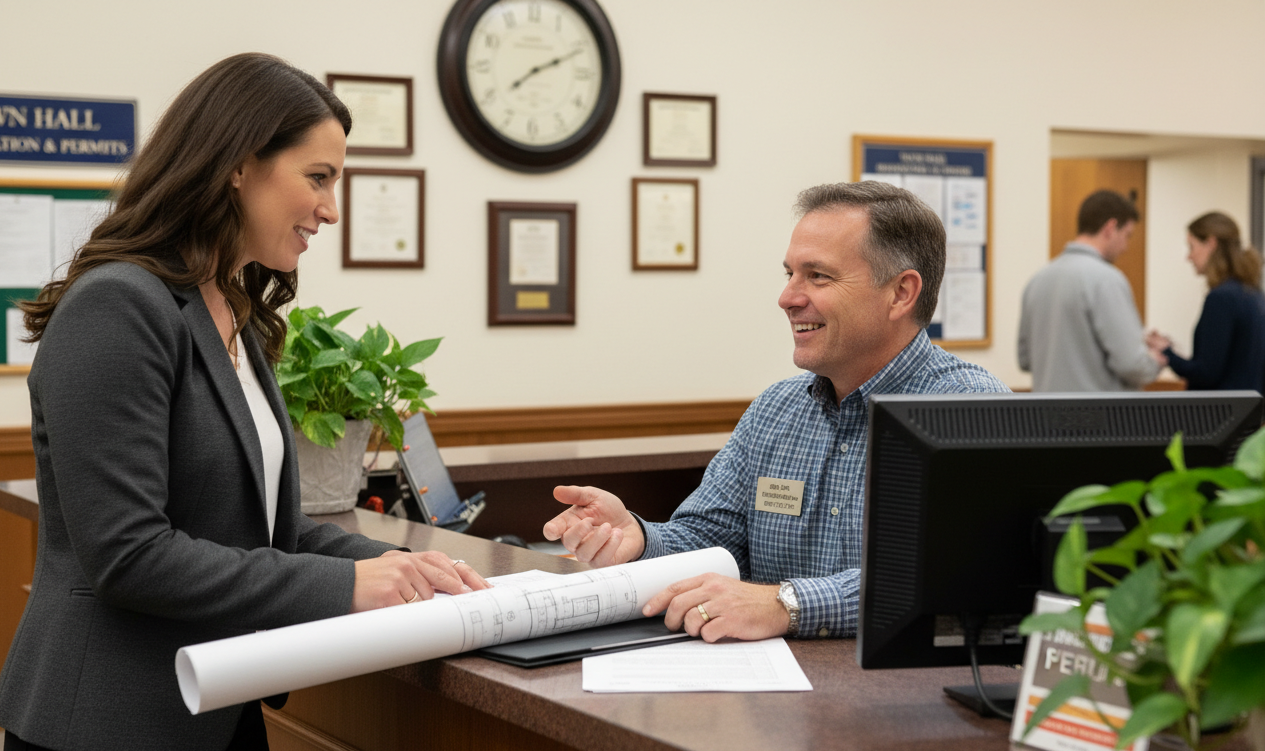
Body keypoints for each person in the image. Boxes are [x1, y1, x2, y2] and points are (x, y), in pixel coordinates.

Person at [0, 54, 488, 751]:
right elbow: (128, 555)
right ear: (236, 165)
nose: (331, 208)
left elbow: (271, 532)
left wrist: (411, 570)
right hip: (106, 729)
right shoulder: (118, 305)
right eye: (317, 178)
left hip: (217, 712)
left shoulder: (233, 313)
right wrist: (348, 585)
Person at [542, 181, 1009, 644]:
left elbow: (955, 577)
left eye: (818, 276)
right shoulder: (776, 410)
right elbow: (712, 538)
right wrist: (640, 540)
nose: (788, 297)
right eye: (789, 274)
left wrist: (787, 605)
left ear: (901, 293)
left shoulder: (969, 410)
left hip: (900, 705)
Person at [1018, 190, 1161, 391]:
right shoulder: (1106, 280)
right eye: (1127, 235)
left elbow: (1025, 360)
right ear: (1110, 228)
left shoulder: (1037, 281)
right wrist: (1156, 360)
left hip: (1047, 418)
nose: (1126, 247)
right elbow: (1132, 365)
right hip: (1099, 418)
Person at [1145, 212, 1265, 393]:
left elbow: (1206, 374)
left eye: (1192, 247)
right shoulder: (1253, 294)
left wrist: (1167, 353)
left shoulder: (1221, 298)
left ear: (1211, 243)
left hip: (1222, 414)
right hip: (1249, 411)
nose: (1189, 257)